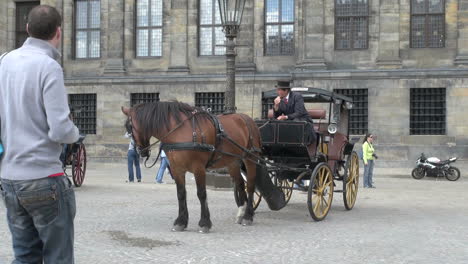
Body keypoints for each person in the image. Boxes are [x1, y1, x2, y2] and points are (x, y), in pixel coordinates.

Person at [0, 5, 79, 263]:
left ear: (27, 30)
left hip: (10, 179)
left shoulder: (3, 62)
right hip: (44, 178)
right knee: (58, 258)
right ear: (58, 32)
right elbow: (60, 130)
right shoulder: (49, 66)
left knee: (24, 256)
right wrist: (74, 133)